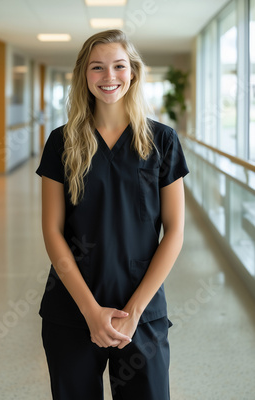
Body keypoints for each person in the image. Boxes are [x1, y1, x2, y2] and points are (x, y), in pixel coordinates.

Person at [36, 29, 189, 400]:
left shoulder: (161, 141)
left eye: (119, 66)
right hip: (72, 311)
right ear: (84, 75)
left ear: (133, 72)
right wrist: (90, 312)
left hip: (142, 311)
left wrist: (134, 312)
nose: (109, 77)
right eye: (97, 68)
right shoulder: (62, 142)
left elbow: (175, 232)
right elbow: (52, 231)